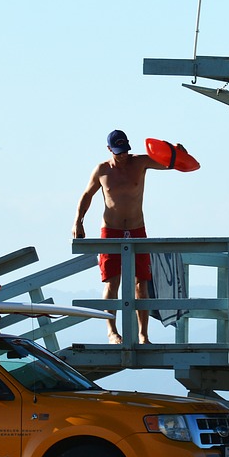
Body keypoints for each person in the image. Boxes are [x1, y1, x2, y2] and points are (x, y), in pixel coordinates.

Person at [73, 129, 169, 344]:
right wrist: (78, 221)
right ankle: (112, 331)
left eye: (125, 150)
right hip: (111, 230)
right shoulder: (102, 170)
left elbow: (169, 163)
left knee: (141, 284)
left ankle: (143, 334)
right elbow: (87, 194)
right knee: (112, 282)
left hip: (137, 229)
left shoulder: (140, 163)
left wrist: (176, 152)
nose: (123, 154)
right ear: (109, 150)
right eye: (118, 152)